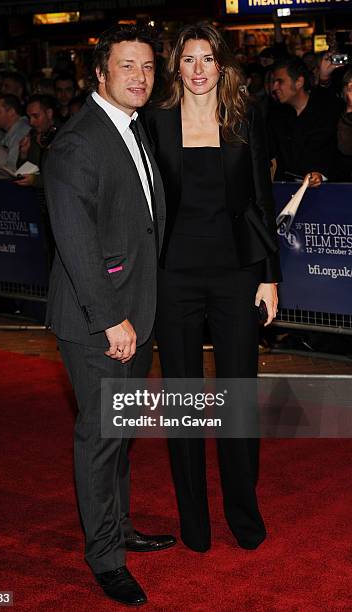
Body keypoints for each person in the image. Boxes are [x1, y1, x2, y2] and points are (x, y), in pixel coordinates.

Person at [43, 25, 174, 607]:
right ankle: (105, 558)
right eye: (127, 67)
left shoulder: (131, 128)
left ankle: (118, 528)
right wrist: (109, 319)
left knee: (119, 436)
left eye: (147, 67)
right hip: (99, 320)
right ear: (101, 73)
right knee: (99, 437)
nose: (140, 77)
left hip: (134, 313)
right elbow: (75, 242)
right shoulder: (79, 141)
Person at [143, 23, 281, 553]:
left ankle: (244, 515)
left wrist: (270, 275)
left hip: (236, 275)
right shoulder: (154, 123)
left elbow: (260, 201)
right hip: (173, 277)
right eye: (188, 59)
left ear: (221, 65)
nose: (199, 69)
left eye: (208, 59)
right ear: (175, 66)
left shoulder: (244, 118)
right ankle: (194, 523)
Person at [269, 56, 342, 185]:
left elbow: (336, 153)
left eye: (280, 81)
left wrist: (320, 175)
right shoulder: (277, 117)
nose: (274, 87)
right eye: (273, 82)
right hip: (288, 191)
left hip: (327, 190)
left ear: (298, 82)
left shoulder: (326, 111)